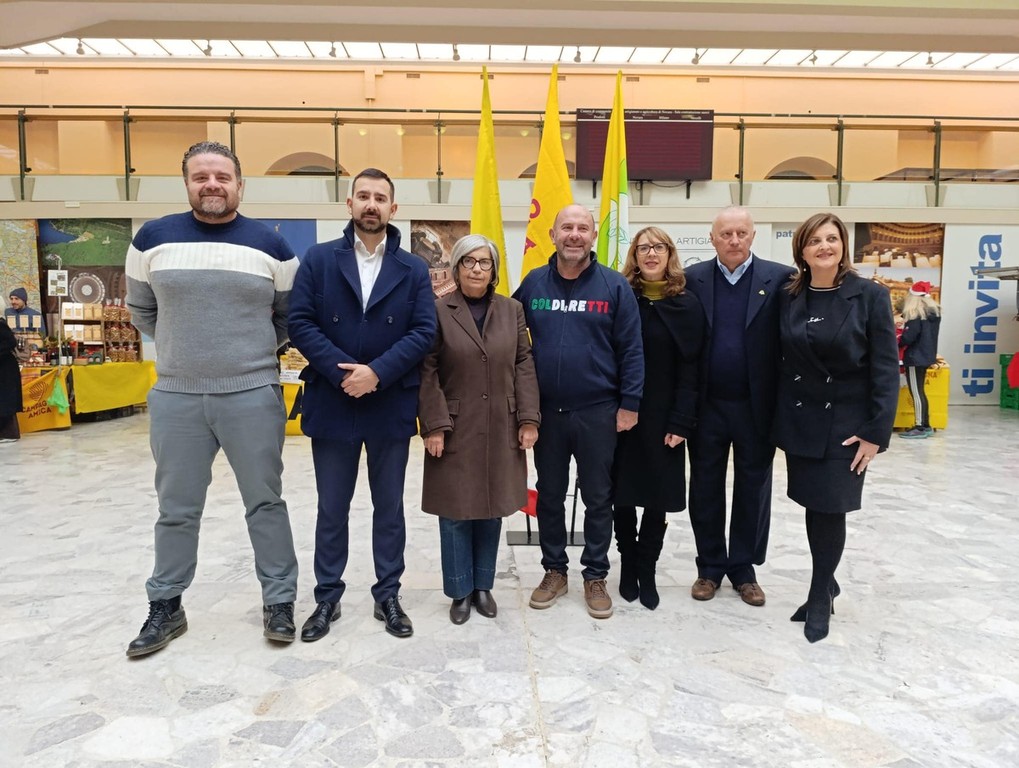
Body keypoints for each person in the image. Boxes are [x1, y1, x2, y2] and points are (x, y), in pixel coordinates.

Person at [124, 141, 300, 657]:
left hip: (252, 394)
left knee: (265, 503)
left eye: (222, 176)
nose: (212, 185)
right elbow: (142, 311)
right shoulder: (151, 239)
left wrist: (247, 354)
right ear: (187, 183)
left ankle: (279, 600)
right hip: (176, 397)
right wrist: (185, 350)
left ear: (240, 185)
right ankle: (166, 604)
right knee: (176, 509)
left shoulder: (272, 247)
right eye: (201, 176)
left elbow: (289, 317)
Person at [289, 168, 436, 641]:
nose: (372, 204)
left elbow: (424, 331)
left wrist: (376, 373)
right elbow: (300, 322)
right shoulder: (318, 259)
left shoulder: (413, 269)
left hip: (389, 402)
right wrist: (344, 373)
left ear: (394, 208)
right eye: (364, 196)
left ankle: (387, 595)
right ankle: (326, 598)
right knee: (332, 507)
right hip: (333, 401)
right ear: (349, 204)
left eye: (381, 198)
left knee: (388, 508)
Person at [513, 204, 643, 620]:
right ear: (552, 235)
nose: (574, 234)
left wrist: (630, 403)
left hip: (598, 412)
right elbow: (506, 335)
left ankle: (595, 574)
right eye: (566, 227)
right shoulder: (533, 283)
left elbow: (632, 349)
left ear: (593, 236)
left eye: (582, 228)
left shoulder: (614, 286)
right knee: (549, 495)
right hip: (546, 414)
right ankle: (554, 570)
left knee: (598, 497)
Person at [774, 212, 899, 643]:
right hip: (802, 419)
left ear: (843, 245)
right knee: (814, 505)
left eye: (831, 238)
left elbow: (886, 368)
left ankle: (818, 594)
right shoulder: (790, 295)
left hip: (847, 425)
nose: (824, 247)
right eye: (814, 241)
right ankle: (826, 582)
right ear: (802, 250)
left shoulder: (869, 296)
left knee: (831, 507)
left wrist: (876, 432)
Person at [418, 234, 540, 625]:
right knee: (455, 511)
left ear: (494, 270)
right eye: (468, 262)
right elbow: (427, 369)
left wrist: (528, 418)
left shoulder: (512, 310)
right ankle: (459, 591)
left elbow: (523, 363)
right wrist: (434, 425)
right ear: (456, 268)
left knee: (491, 509)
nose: (476, 269)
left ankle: (483, 586)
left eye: (484, 262)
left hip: (502, 422)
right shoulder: (438, 310)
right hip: (454, 425)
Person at [683, 206, 794, 606]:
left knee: (753, 487)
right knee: (704, 486)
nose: (734, 240)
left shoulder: (781, 280)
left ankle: (744, 570)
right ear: (712, 238)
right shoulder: (691, 279)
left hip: (756, 407)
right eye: (726, 234)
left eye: (741, 233)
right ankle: (710, 567)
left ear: (753, 236)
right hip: (707, 406)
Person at [613, 227, 705, 610]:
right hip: (622, 413)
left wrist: (682, 421)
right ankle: (627, 562)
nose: (651, 254)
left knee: (657, 496)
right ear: (634, 256)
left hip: (666, 416)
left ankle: (647, 567)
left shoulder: (687, 304)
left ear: (670, 254)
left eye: (659, 247)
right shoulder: (620, 297)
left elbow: (692, 368)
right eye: (643, 248)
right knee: (620, 493)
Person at [898, 281, 941, 439]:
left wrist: (897, 339)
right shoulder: (933, 314)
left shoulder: (915, 315)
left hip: (914, 357)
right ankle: (926, 425)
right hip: (927, 356)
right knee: (921, 391)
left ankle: (920, 426)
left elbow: (908, 337)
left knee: (916, 392)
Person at [0, 317, 23, 443]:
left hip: (5, 369)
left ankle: (9, 433)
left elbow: (11, 342)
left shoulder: (1, 325)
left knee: (5, 402)